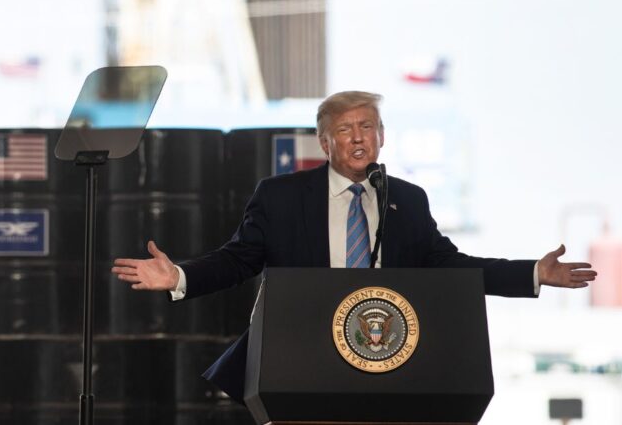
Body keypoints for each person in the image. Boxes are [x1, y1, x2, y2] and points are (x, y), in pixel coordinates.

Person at [111, 91, 597, 402]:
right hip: (301, 362)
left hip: (389, 363)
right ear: (325, 143)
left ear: (381, 137)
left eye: (367, 127)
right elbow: (239, 260)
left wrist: (532, 273)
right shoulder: (279, 197)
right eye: (345, 129)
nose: (358, 136)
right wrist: (180, 276)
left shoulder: (406, 199)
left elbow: (448, 265)